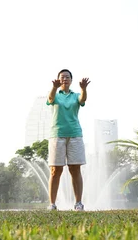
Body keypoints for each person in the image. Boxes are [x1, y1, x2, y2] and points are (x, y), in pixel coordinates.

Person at [46, 69, 90, 211]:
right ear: (58, 80)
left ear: (71, 80)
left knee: (75, 168)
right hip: (57, 135)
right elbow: (50, 99)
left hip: (75, 135)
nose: (65, 79)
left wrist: (83, 89)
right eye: (62, 77)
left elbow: (82, 100)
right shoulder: (56, 95)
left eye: (67, 77)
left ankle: (78, 203)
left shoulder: (75, 95)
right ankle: (52, 204)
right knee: (55, 170)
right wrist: (54, 87)